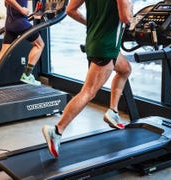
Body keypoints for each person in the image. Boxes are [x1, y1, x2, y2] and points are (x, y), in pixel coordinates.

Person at [42, 0, 133, 158]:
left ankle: (113, 111)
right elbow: (125, 18)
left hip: (94, 41)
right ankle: (56, 131)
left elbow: (70, 9)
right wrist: (130, 8)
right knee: (88, 92)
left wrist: (91, 23)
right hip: (107, 46)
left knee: (125, 69)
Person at [0, 0, 44, 97]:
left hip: (10, 22)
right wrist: (22, 10)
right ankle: (28, 74)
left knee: (4, 53)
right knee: (39, 45)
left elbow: (6, 3)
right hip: (20, 22)